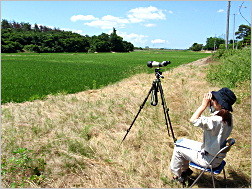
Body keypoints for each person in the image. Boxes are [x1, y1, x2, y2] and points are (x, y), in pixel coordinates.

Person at [170, 87, 237, 183]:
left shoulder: (215, 121)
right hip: (216, 156)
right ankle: (185, 170)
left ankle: (178, 176)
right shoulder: (228, 117)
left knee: (178, 148)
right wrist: (212, 103)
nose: (211, 101)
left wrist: (203, 105)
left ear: (219, 103)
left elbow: (193, 120)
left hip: (208, 160)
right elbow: (213, 118)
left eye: (213, 99)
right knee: (182, 142)